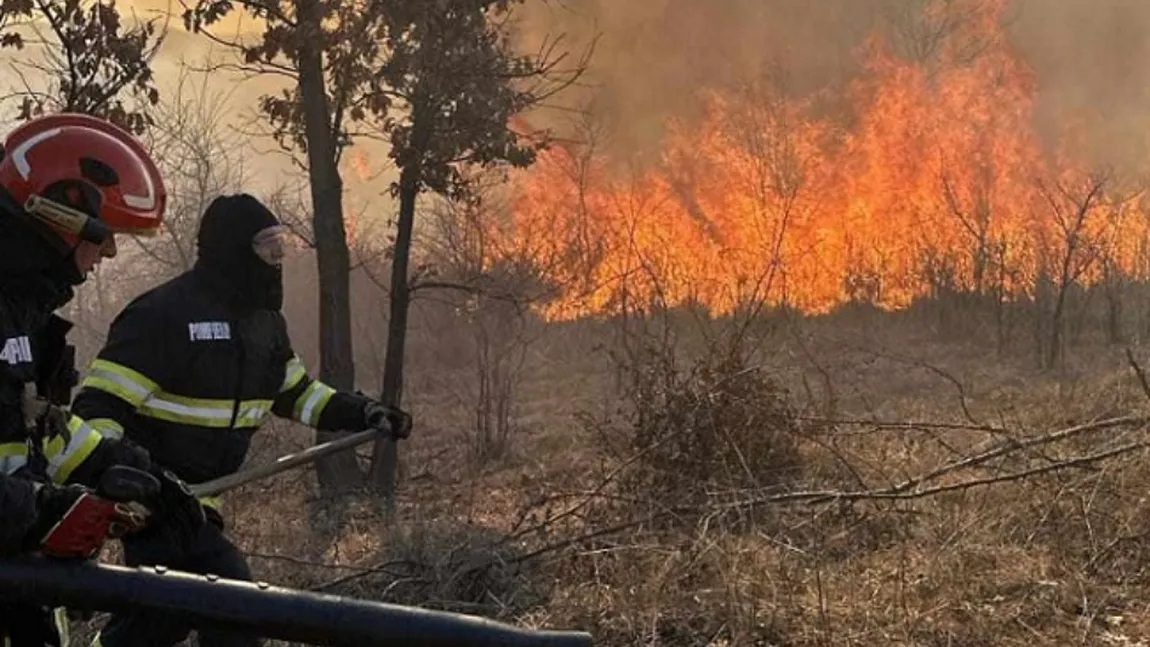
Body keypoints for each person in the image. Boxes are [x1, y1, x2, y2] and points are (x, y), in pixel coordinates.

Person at [72, 192, 414, 647]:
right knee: (211, 611)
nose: (276, 261)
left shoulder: (265, 325)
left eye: (280, 248)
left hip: (202, 505)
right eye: (266, 248)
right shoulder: (161, 316)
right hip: (157, 506)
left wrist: (363, 411)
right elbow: (97, 409)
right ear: (233, 250)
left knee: (200, 618)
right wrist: (130, 479)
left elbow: (296, 394)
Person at [0, 113, 205, 646]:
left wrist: (136, 474)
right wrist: (39, 513)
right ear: (59, 218)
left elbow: (34, 433)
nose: (110, 251)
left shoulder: (25, 318)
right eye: (105, 234)